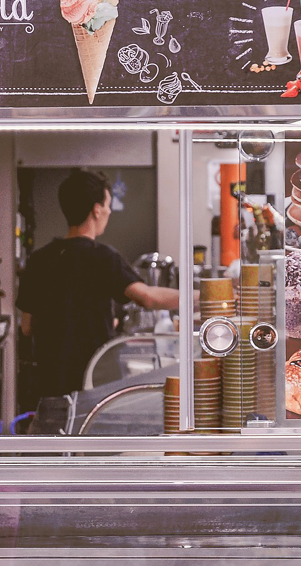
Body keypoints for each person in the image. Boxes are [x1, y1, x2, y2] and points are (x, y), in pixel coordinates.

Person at [17, 168, 181, 398]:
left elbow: (27, 327)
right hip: (93, 380)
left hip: (49, 382)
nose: (109, 211)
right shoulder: (103, 257)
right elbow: (147, 297)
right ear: (96, 210)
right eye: (107, 205)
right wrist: (204, 295)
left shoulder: (39, 259)